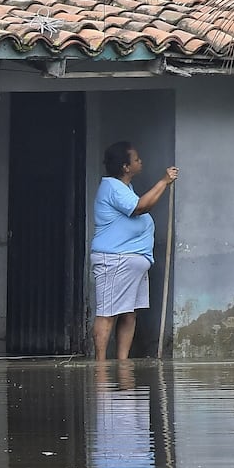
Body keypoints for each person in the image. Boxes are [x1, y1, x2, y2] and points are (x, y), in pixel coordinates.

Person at [91, 141, 178, 360]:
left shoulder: (124, 188)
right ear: (125, 167)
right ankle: (100, 364)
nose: (141, 162)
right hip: (115, 259)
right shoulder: (112, 187)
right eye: (136, 159)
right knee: (108, 313)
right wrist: (164, 182)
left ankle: (123, 362)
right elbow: (140, 207)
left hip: (133, 262)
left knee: (129, 314)